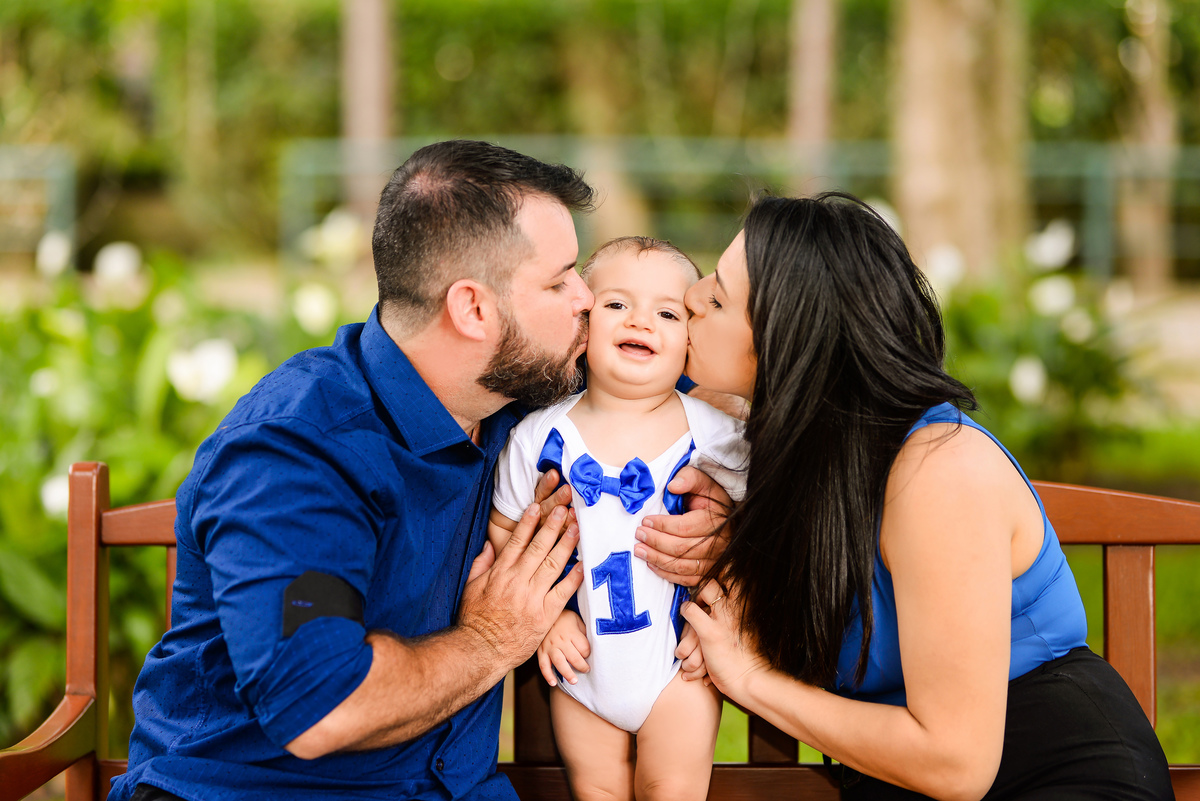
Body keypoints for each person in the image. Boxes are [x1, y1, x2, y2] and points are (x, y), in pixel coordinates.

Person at [111, 140, 598, 801]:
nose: (588, 298)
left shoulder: (525, 401)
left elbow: (712, 387)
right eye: (560, 279)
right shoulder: (296, 450)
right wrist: (493, 638)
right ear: (473, 308)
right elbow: (321, 703)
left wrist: (712, 500)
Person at [656, 192, 1173, 801]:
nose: (690, 297)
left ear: (789, 344)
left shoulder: (938, 471)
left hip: (1050, 778)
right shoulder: (797, 446)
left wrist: (750, 679)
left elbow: (956, 764)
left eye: (716, 297)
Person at [490, 237, 747, 801]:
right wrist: (547, 618)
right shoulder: (539, 436)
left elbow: (764, 530)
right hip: (583, 665)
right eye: (616, 305)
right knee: (596, 790)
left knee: (673, 788)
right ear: (583, 325)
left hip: (679, 666)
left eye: (666, 312)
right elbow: (506, 532)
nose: (640, 321)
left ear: (688, 339)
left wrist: (729, 610)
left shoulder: (716, 435)